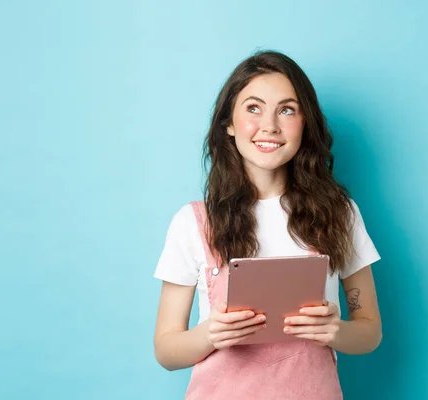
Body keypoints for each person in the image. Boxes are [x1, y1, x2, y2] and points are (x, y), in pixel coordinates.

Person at [153, 50, 383, 399]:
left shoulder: (340, 213)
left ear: (305, 124)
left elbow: (370, 332)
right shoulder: (193, 222)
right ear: (228, 123)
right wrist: (210, 334)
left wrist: (334, 330)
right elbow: (166, 351)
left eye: (287, 110)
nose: (270, 126)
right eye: (253, 108)